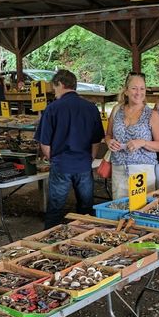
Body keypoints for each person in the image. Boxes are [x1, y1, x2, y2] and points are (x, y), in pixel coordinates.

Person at [34, 69, 105, 228]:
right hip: (84, 164)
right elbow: (96, 140)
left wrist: (54, 159)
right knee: (86, 209)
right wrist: (90, 158)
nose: (54, 92)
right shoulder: (91, 108)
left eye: (55, 87)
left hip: (61, 164)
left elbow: (44, 143)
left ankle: (49, 242)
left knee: (55, 209)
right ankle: (85, 239)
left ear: (61, 84)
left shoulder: (52, 108)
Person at [106, 72, 159, 200]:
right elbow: (108, 135)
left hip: (142, 171)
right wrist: (109, 141)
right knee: (119, 209)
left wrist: (143, 142)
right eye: (134, 88)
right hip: (119, 169)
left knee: (140, 210)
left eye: (142, 88)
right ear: (126, 91)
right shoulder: (117, 110)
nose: (138, 92)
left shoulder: (152, 115)